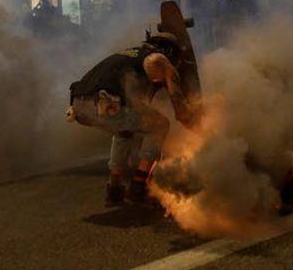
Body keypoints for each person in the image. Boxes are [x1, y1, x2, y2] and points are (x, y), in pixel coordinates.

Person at [67, 32, 196, 206]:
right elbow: (180, 110)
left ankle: (113, 189)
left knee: (125, 128)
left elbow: (139, 104)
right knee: (161, 125)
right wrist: (197, 124)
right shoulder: (159, 60)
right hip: (104, 103)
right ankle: (138, 187)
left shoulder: (130, 54)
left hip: (79, 107)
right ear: (169, 51)